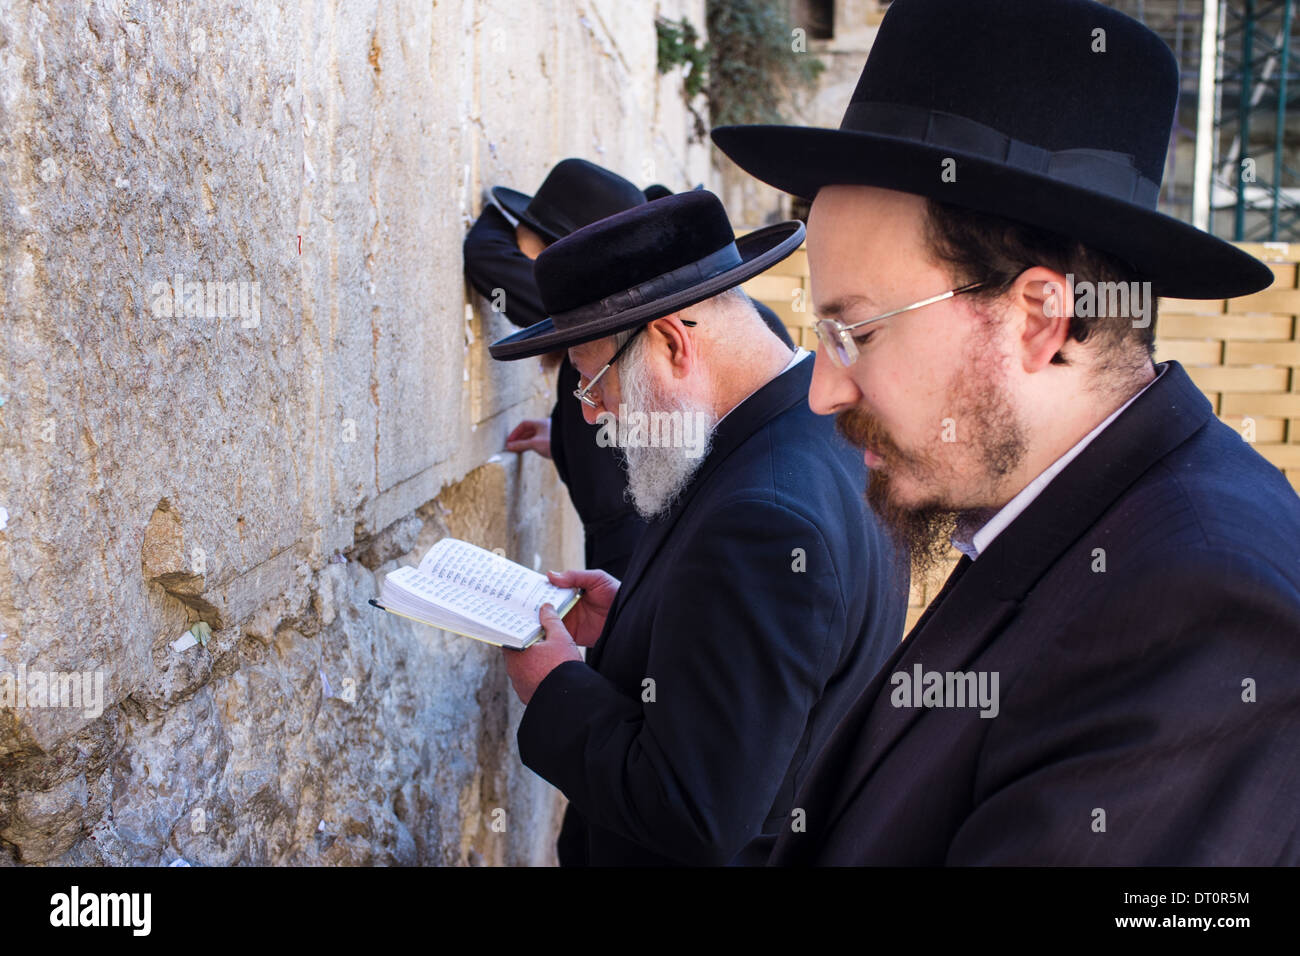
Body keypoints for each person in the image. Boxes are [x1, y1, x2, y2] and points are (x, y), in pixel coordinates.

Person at [710, 0, 1300, 864]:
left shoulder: (1202, 606)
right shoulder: (1058, 515)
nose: (824, 393)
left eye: (858, 333)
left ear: (1037, 320)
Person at [486, 190, 906, 865]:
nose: (593, 417)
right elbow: (766, 666)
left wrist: (555, 685)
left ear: (673, 342)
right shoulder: (817, 430)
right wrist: (641, 616)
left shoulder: (764, 520)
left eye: (595, 387)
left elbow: (693, 810)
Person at [464, 160, 794, 581]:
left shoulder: (609, 317)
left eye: (541, 262)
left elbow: (488, 259)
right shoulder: (738, 322)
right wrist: (565, 438)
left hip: (637, 551)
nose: (591, 407)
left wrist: (499, 210)